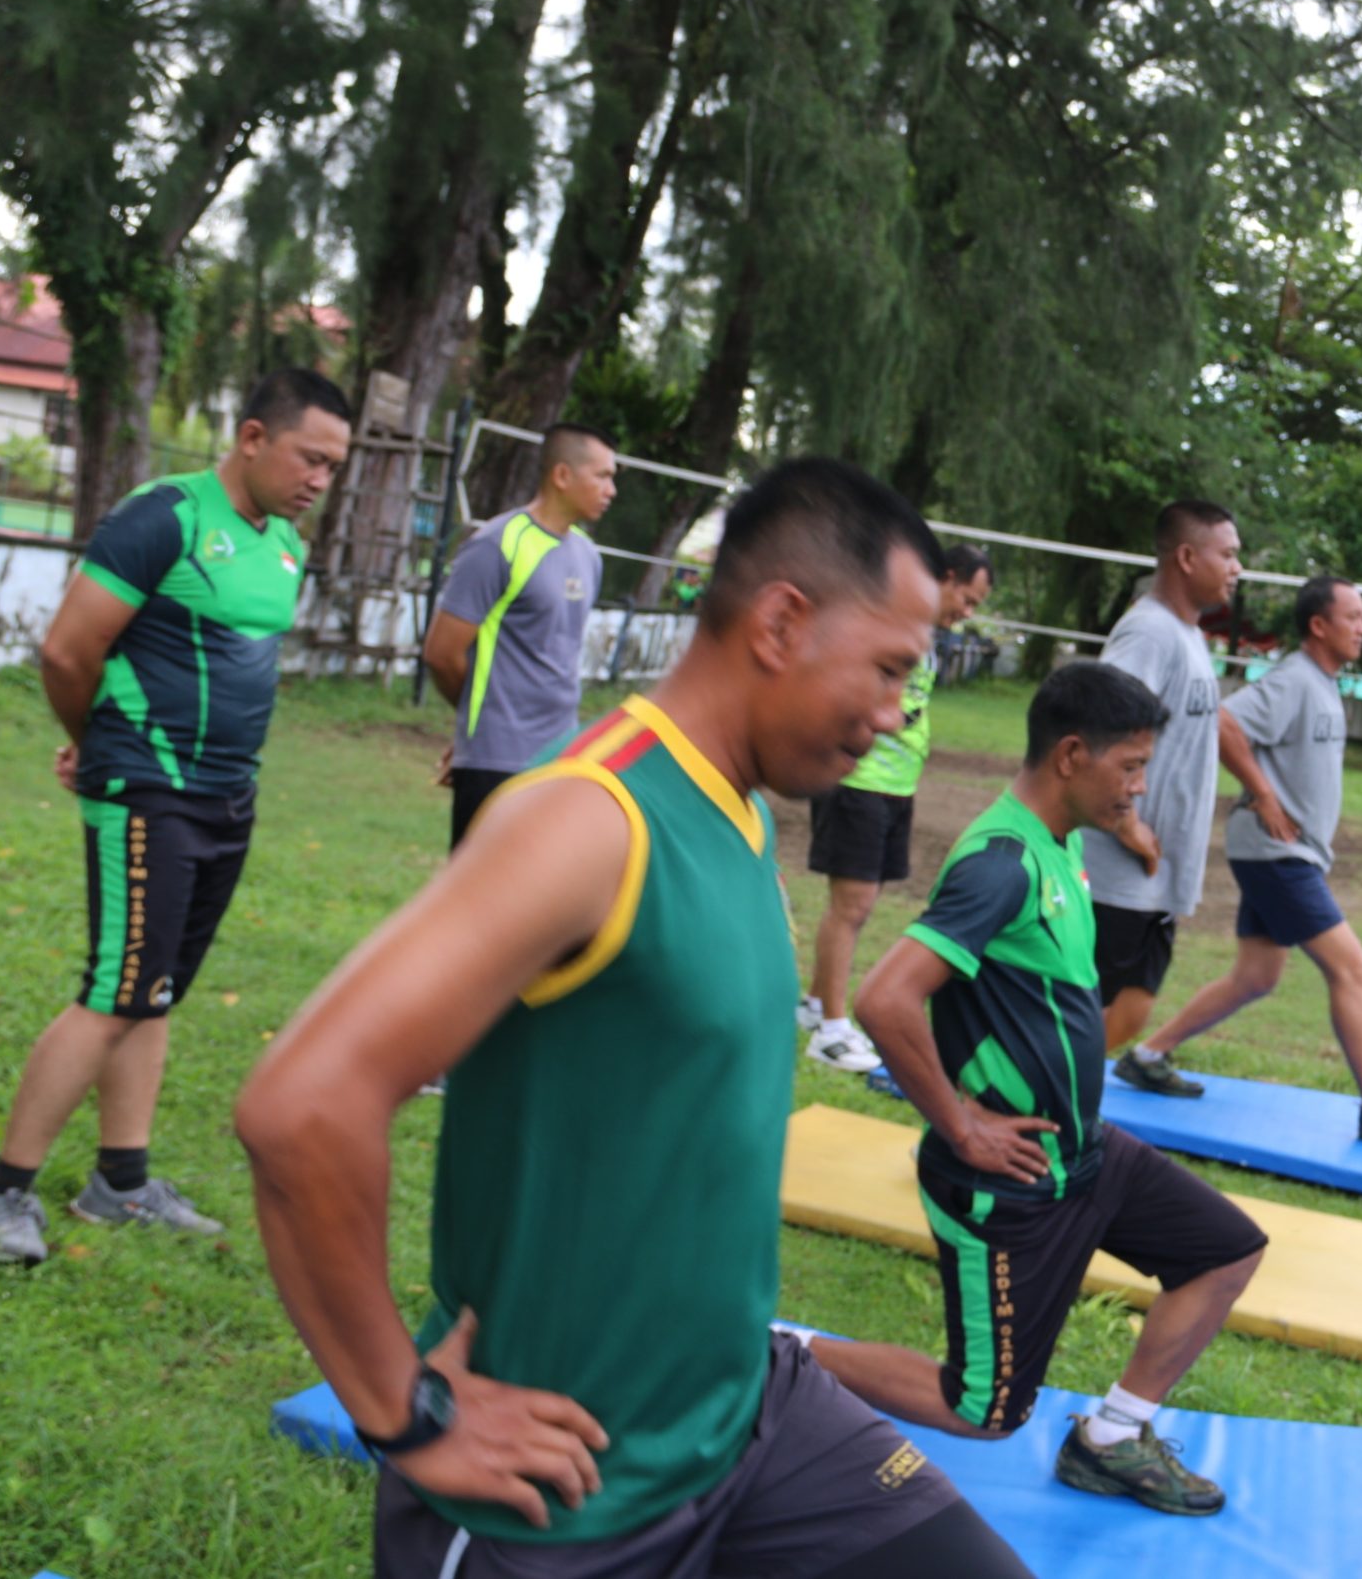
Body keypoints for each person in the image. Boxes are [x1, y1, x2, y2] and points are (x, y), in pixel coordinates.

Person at [233, 460, 1029, 1576]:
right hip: (566, 1483)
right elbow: (302, 1107)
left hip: (748, 1412)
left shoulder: (737, 808)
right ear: (782, 622)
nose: (897, 714)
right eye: (890, 668)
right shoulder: (588, 818)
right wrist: (403, 1411)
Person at [819, 661, 1268, 1517]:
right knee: (981, 1411)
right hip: (1007, 1180)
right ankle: (788, 1361)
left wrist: (1128, 825)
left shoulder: (1058, 836)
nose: (1140, 785)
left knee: (1223, 1251)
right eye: (1130, 767)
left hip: (1084, 1156)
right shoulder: (1000, 861)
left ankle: (1110, 1437)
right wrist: (959, 1124)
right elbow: (885, 997)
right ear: (1071, 755)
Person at [0, 369, 353, 1265]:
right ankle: (1, 1196)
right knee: (114, 990)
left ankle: (120, 1183)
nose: (320, 479)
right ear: (253, 436)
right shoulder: (165, 516)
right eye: (309, 457)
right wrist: (94, 742)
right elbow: (68, 648)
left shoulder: (283, 543)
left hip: (226, 798)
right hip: (148, 791)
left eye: (334, 466)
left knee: (155, 989)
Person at [1113, 579, 1362, 1141]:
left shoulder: (1322, 685)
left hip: (1291, 854)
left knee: (1255, 977)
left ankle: (1146, 1057)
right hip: (1276, 853)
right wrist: (1265, 795)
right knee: (1351, 966)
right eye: (1354, 617)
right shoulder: (1294, 680)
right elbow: (1224, 722)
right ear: (1320, 625)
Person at [796, 543, 994, 1072]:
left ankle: (816, 1006)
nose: (967, 614)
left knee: (864, 904)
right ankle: (832, 1031)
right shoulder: (892, 622)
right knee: (852, 905)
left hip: (895, 788)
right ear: (946, 577)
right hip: (858, 782)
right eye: (967, 599)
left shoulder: (927, 637)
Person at [1082, 500, 1243, 1053]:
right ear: (1186, 557)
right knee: (1086, 1017)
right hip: (1116, 874)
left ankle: (1068, 1111)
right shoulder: (1148, 633)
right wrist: (1126, 826)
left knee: (1132, 1011)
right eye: (1227, 554)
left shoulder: (1191, 636)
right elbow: (1100, 726)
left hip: (1158, 879)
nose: (1236, 568)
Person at [422, 423, 618, 849]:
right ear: (562, 476)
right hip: (497, 762)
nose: (612, 489)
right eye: (602, 476)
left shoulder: (588, 556)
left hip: (561, 760)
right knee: (479, 906)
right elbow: (442, 653)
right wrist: (484, 725)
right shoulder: (497, 544)